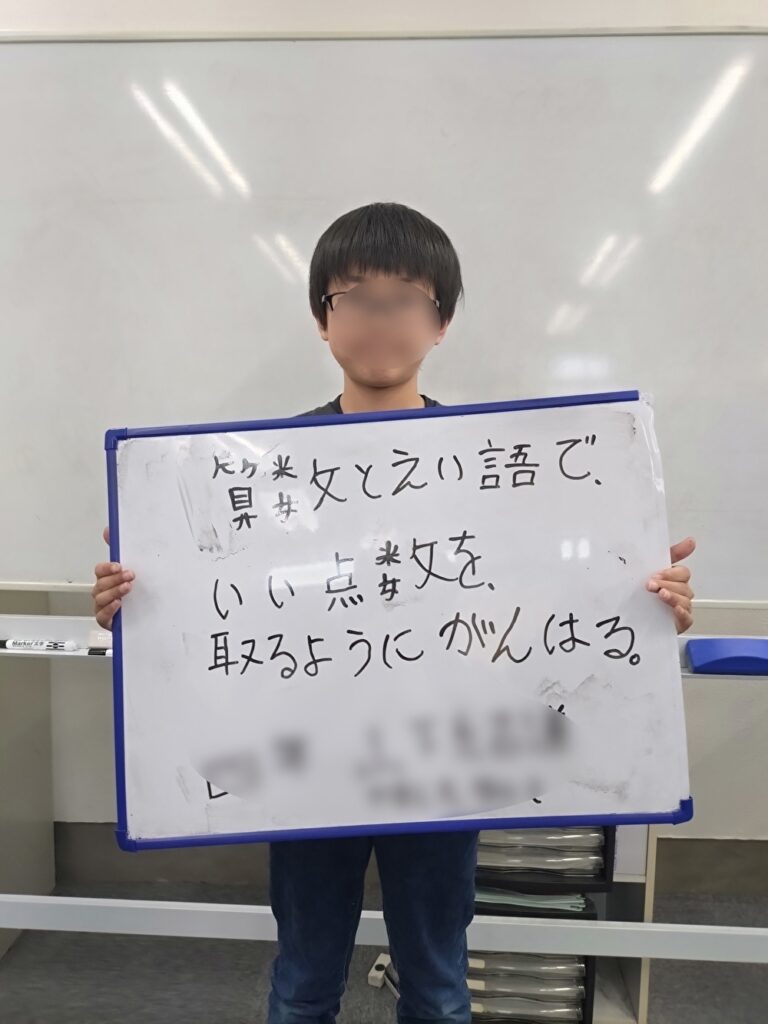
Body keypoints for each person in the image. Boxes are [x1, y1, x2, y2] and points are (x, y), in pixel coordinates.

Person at [91, 202, 696, 1023]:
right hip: (308, 762)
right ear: (322, 319)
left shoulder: (496, 465)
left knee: (439, 988)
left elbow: (549, 597)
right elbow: (227, 607)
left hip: (442, 764)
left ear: (440, 321)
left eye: (406, 297)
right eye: (356, 297)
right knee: (304, 983)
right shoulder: (258, 471)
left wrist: (645, 606)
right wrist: (140, 602)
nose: (381, 318)